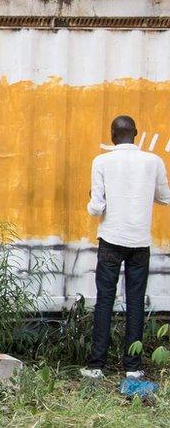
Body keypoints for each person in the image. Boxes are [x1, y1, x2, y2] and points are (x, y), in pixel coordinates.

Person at [82, 115, 170, 380]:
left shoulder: (102, 161)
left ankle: (97, 365)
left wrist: (91, 200)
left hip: (110, 239)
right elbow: (165, 199)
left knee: (104, 302)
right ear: (136, 133)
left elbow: (96, 208)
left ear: (112, 135)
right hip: (139, 243)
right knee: (135, 303)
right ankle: (133, 367)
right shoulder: (154, 162)